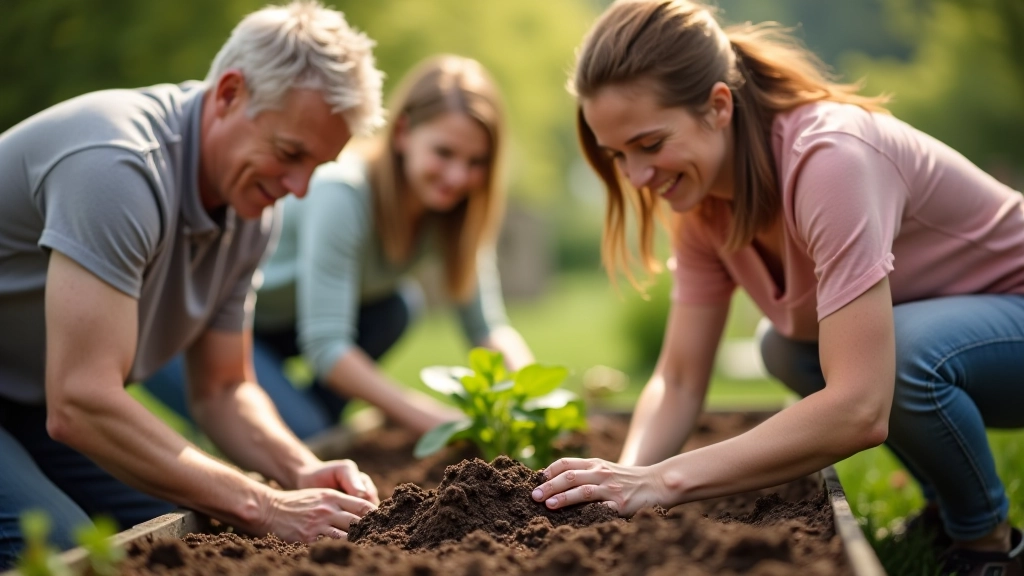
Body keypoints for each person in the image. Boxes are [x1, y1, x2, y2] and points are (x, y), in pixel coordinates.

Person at [530, 1, 1024, 574]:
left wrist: (663, 481)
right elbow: (681, 377)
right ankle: (945, 513)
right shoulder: (701, 204)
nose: (637, 177)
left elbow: (861, 407)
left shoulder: (829, 159)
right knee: (784, 347)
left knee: (903, 354)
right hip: (965, 339)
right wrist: (620, 484)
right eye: (618, 155)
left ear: (718, 106)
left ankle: (990, 545)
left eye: (650, 144)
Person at [0, 1, 386, 567]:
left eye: (317, 166)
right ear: (229, 93)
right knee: (67, 553)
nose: (299, 187)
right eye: (289, 153)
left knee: (176, 530)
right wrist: (266, 505)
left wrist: (296, 467)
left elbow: (224, 388)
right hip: (56, 400)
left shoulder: (251, 206)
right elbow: (82, 400)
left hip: (28, 401)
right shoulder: (120, 165)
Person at [143, 54, 535, 439]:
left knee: (395, 308)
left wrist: (536, 399)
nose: (457, 176)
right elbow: (327, 348)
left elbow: (486, 328)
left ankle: (283, 429)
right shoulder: (343, 194)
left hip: (282, 330)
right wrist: (430, 420)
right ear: (402, 133)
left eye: (476, 161)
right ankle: (266, 431)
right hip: (195, 330)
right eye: (444, 153)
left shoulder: (453, 215)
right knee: (309, 434)